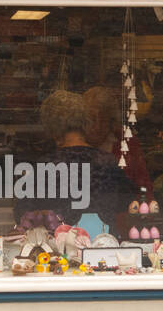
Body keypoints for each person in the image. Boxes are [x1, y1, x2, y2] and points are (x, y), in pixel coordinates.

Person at [36, 90, 133, 227]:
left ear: (53, 128)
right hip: (104, 244)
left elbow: (25, 212)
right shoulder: (107, 162)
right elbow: (127, 203)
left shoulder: (48, 165)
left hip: (58, 245)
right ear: (86, 122)